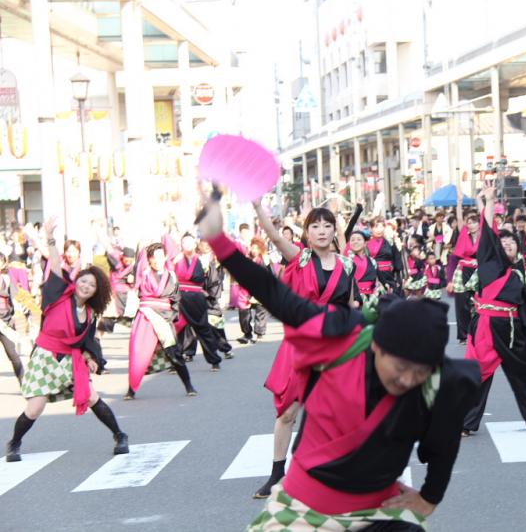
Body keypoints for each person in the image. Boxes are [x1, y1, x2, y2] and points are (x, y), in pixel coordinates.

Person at [196, 194, 479, 532]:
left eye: (418, 372)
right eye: (400, 367)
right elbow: (272, 291)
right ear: (376, 346)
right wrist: (218, 239)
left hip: (379, 509)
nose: (406, 379)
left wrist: (430, 497)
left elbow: (444, 447)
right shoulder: (338, 337)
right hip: (305, 506)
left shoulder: (440, 384)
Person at [252, 202, 357, 500]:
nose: (322, 231)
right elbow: (273, 235)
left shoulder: (347, 265)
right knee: (287, 413)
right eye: (315, 226)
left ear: (334, 230)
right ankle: (276, 474)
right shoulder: (300, 259)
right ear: (307, 232)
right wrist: (258, 206)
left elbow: (349, 306)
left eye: (327, 225)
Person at [6, 217, 128, 462]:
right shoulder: (59, 293)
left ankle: (119, 435)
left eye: (91, 285)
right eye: (83, 280)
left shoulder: (90, 313)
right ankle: (14, 443)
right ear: (76, 282)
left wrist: (90, 357)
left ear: (96, 291)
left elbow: (88, 341)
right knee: (35, 407)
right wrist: (50, 238)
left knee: (92, 397)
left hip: (70, 360)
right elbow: (53, 263)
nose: (85, 285)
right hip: (45, 357)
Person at [461, 185, 526, 436]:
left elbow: (524, 306)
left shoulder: (518, 270)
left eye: (511, 242)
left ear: (518, 248)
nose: (507, 244)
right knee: (480, 376)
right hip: (487, 326)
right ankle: (463, 423)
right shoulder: (488, 262)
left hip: (512, 329)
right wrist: (490, 200)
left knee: (522, 377)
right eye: (502, 242)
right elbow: (486, 231)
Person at [125, 243, 196, 399]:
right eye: (153, 257)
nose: (156, 260)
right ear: (149, 259)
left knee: (173, 352)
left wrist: (173, 316)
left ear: (165, 257)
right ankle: (131, 389)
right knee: (138, 353)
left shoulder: (171, 275)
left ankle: (188, 384)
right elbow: (138, 262)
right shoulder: (142, 273)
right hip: (145, 315)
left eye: (159, 256)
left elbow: (176, 298)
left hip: (164, 317)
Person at [173, 233, 224, 371]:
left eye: (190, 243)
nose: (187, 246)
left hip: (196, 297)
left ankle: (214, 360)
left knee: (203, 329)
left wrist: (211, 296)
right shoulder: (176, 260)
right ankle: (175, 360)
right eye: (184, 243)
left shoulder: (202, 260)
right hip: (180, 297)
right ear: (181, 245)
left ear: (195, 244)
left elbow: (209, 280)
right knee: (177, 329)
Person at [449, 187, 482, 345]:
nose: (471, 224)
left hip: (479, 271)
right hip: (463, 270)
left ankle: (477, 332)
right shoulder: (464, 233)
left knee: (478, 303)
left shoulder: (484, 235)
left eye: (474, 221)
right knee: (461, 304)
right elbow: (459, 217)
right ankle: (463, 335)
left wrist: (481, 199)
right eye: (469, 222)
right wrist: (459, 202)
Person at [236, 237, 269, 344]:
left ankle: (259, 333)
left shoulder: (265, 260)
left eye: (257, 248)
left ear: (261, 249)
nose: (254, 250)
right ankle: (247, 333)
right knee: (243, 312)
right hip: (247, 290)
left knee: (261, 312)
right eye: (253, 248)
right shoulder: (246, 259)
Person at [0, 253, 23, 384]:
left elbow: (15, 297)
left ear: (3, 264)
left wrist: (17, 313)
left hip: (4, 322)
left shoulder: (7, 279)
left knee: (12, 354)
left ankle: (23, 382)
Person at [367, 217, 403, 293]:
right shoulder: (366, 243)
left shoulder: (389, 241)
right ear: (371, 228)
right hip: (373, 275)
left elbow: (397, 258)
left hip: (388, 275)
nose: (379, 230)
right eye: (376, 227)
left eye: (381, 227)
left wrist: (399, 277)